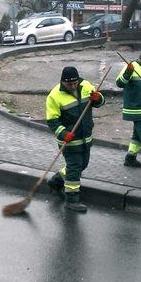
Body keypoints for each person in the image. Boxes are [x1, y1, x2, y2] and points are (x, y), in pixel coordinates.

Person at [46, 66, 105, 212]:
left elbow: (99, 102)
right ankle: (71, 200)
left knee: (81, 165)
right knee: (74, 168)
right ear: (63, 82)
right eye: (69, 84)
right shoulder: (54, 96)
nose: (73, 86)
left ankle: (56, 181)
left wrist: (99, 99)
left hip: (85, 137)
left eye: (75, 83)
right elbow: (52, 121)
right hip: (69, 141)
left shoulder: (86, 85)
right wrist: (63, 133)